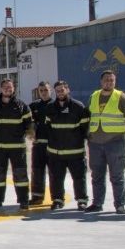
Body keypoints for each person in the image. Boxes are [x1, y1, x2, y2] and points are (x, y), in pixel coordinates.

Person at [85, 70, 125, 214]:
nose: (109, 82)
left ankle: (119, 204)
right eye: (106, 80)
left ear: (115, 82)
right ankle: (97, 203)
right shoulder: (94, 96)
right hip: (95, 143)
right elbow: (88, 116)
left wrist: (121, 129)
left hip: (115, 143)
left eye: (112, 80)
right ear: (101, 82)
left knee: (117, 175)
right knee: (97, 175)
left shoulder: (121, 97)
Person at [0, 79, 32, 210]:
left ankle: (23, 200)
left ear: (14, 89)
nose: (8, 89)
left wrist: (24, 136)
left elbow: (28, 125)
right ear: (0, 89)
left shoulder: (22, 106)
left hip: (17, 148)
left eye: (10, 87)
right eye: (5, 87)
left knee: (20, 175)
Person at [44, 80, 90, 211]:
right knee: (56, 178)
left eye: (62, 90)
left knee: (79, 178)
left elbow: (84, 129)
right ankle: (58, 200)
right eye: (57, 91)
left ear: (67, 90)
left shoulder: (79, 107)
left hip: (75, 152)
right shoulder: (50, 108)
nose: (60, 93)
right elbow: (48, 128)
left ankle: (82, 200)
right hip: (56, 152)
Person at [29, 81, 53, 205]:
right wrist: (30, 131)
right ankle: (37, 197)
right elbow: (28, 123)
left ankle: (57, 198)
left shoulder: (55, 105)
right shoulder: (33, 106)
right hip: (38, 144)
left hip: (53, 145)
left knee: (54, 172)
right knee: (37, 171)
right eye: (41, 90)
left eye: (46, 90)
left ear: (51, 91)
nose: (43, 92)